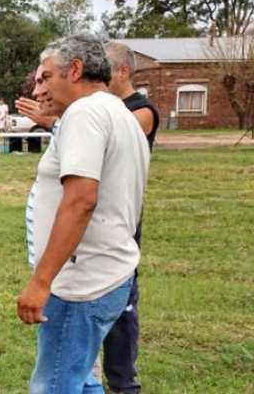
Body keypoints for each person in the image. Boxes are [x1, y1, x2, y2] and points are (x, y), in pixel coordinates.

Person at [16, 34, 150, 393]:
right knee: (81, 378)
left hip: (80, 283)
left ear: (74, 70)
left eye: (46, 78)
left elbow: (81, 200)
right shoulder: (117, 112)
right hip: (109, 273)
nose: (39, 89)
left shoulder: (85, 112)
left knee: (55, 384)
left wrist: (41, 281)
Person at [100, 41, 159, 394]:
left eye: (103, 67)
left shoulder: (142, 110)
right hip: (97, 217)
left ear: (123, 71)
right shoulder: (104, 108)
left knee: (122, 306)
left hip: (123, 219)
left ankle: (123, 384)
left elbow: (113, 142)